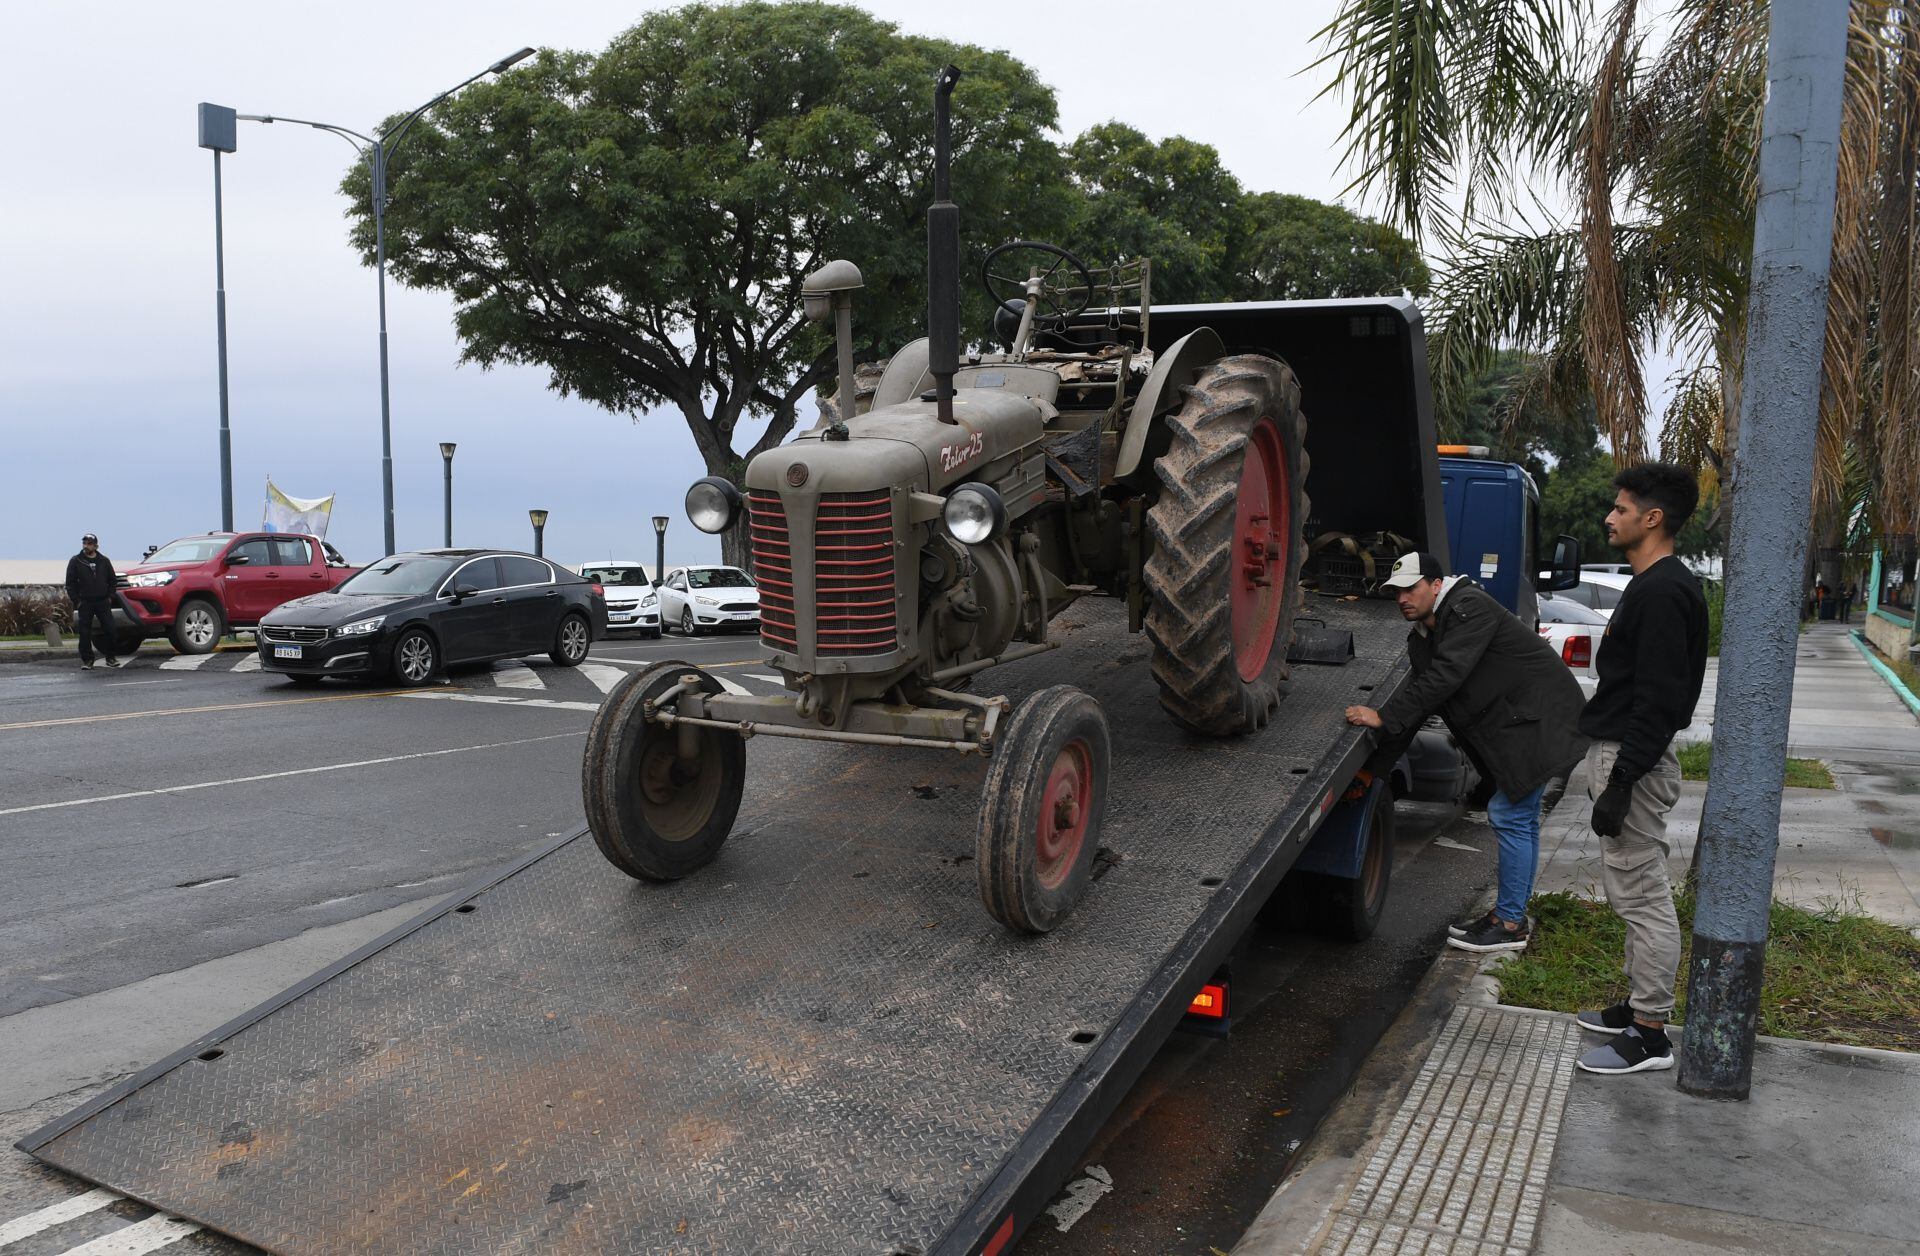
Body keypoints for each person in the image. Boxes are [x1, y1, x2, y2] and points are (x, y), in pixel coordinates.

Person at [1345, 552, 1589, 953]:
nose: (1403, 598)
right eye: (1397, 592)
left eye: (1411, 588)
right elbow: (1421, 704)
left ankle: (1510, 923)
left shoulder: (1468, 606)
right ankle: (1511, 916)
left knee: (1510, 814)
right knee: (1520, 818)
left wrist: (1383, 715)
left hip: (1540, 721)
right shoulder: (1423, 637)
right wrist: (1376, 769)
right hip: (1520, 726)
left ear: (1436, 585)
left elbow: (1447, 676)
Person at [1573, 464, 1709, 1077]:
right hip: (1631, 751)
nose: (1610, 516)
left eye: (1621, 508)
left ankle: (1651, 1034)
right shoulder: (1660, 585)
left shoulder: (1661, 592)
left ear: (1652, 518)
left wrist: (1622, 782)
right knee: (1632, 890)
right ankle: (1636, 1008)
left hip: (1634, 755)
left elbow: (1656, 699)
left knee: (1643, 894)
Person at [65, 532, 122, 670]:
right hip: (85, 602)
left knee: (110, 629)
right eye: (85, 543)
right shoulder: (76, 561)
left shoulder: (104, 561)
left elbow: (113, 580)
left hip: (102, 601)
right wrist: (77, 600)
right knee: (84, 633)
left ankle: (111, 657)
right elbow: (70, 583)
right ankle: (88, 660)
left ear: (96, 545)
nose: (86, 546)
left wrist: (109, 597)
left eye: (89, 543)